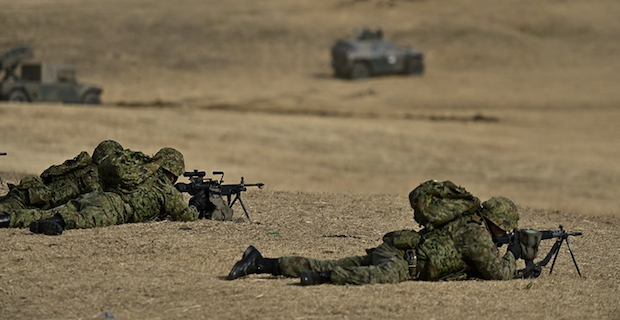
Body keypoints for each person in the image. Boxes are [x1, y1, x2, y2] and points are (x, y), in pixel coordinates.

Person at [226, 180, 522, 285]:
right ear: (496, 223)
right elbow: (498, 274)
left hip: (397, 252)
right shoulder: (477, 234)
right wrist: (514, 254)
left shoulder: (469, 224)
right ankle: (323, 279)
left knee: (333, 262)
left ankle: (263, 262)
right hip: (400, 262)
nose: (502, 233)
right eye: (503, 229)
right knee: (383, 277)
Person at [1, 147, 209, 235]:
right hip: (114, 209)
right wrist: (197, 204)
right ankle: (57, 224)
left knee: (49, 211)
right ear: (173, 172)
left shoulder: (141, 171)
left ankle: (6, 218)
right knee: (76, 218)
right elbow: (186, 217)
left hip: (101, 195)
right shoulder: (166, 189)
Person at [0, 140, 123, 213]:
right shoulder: (95, 176)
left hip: (33, 190)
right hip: (37, 199)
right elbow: (94, 199)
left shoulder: (81, 166)